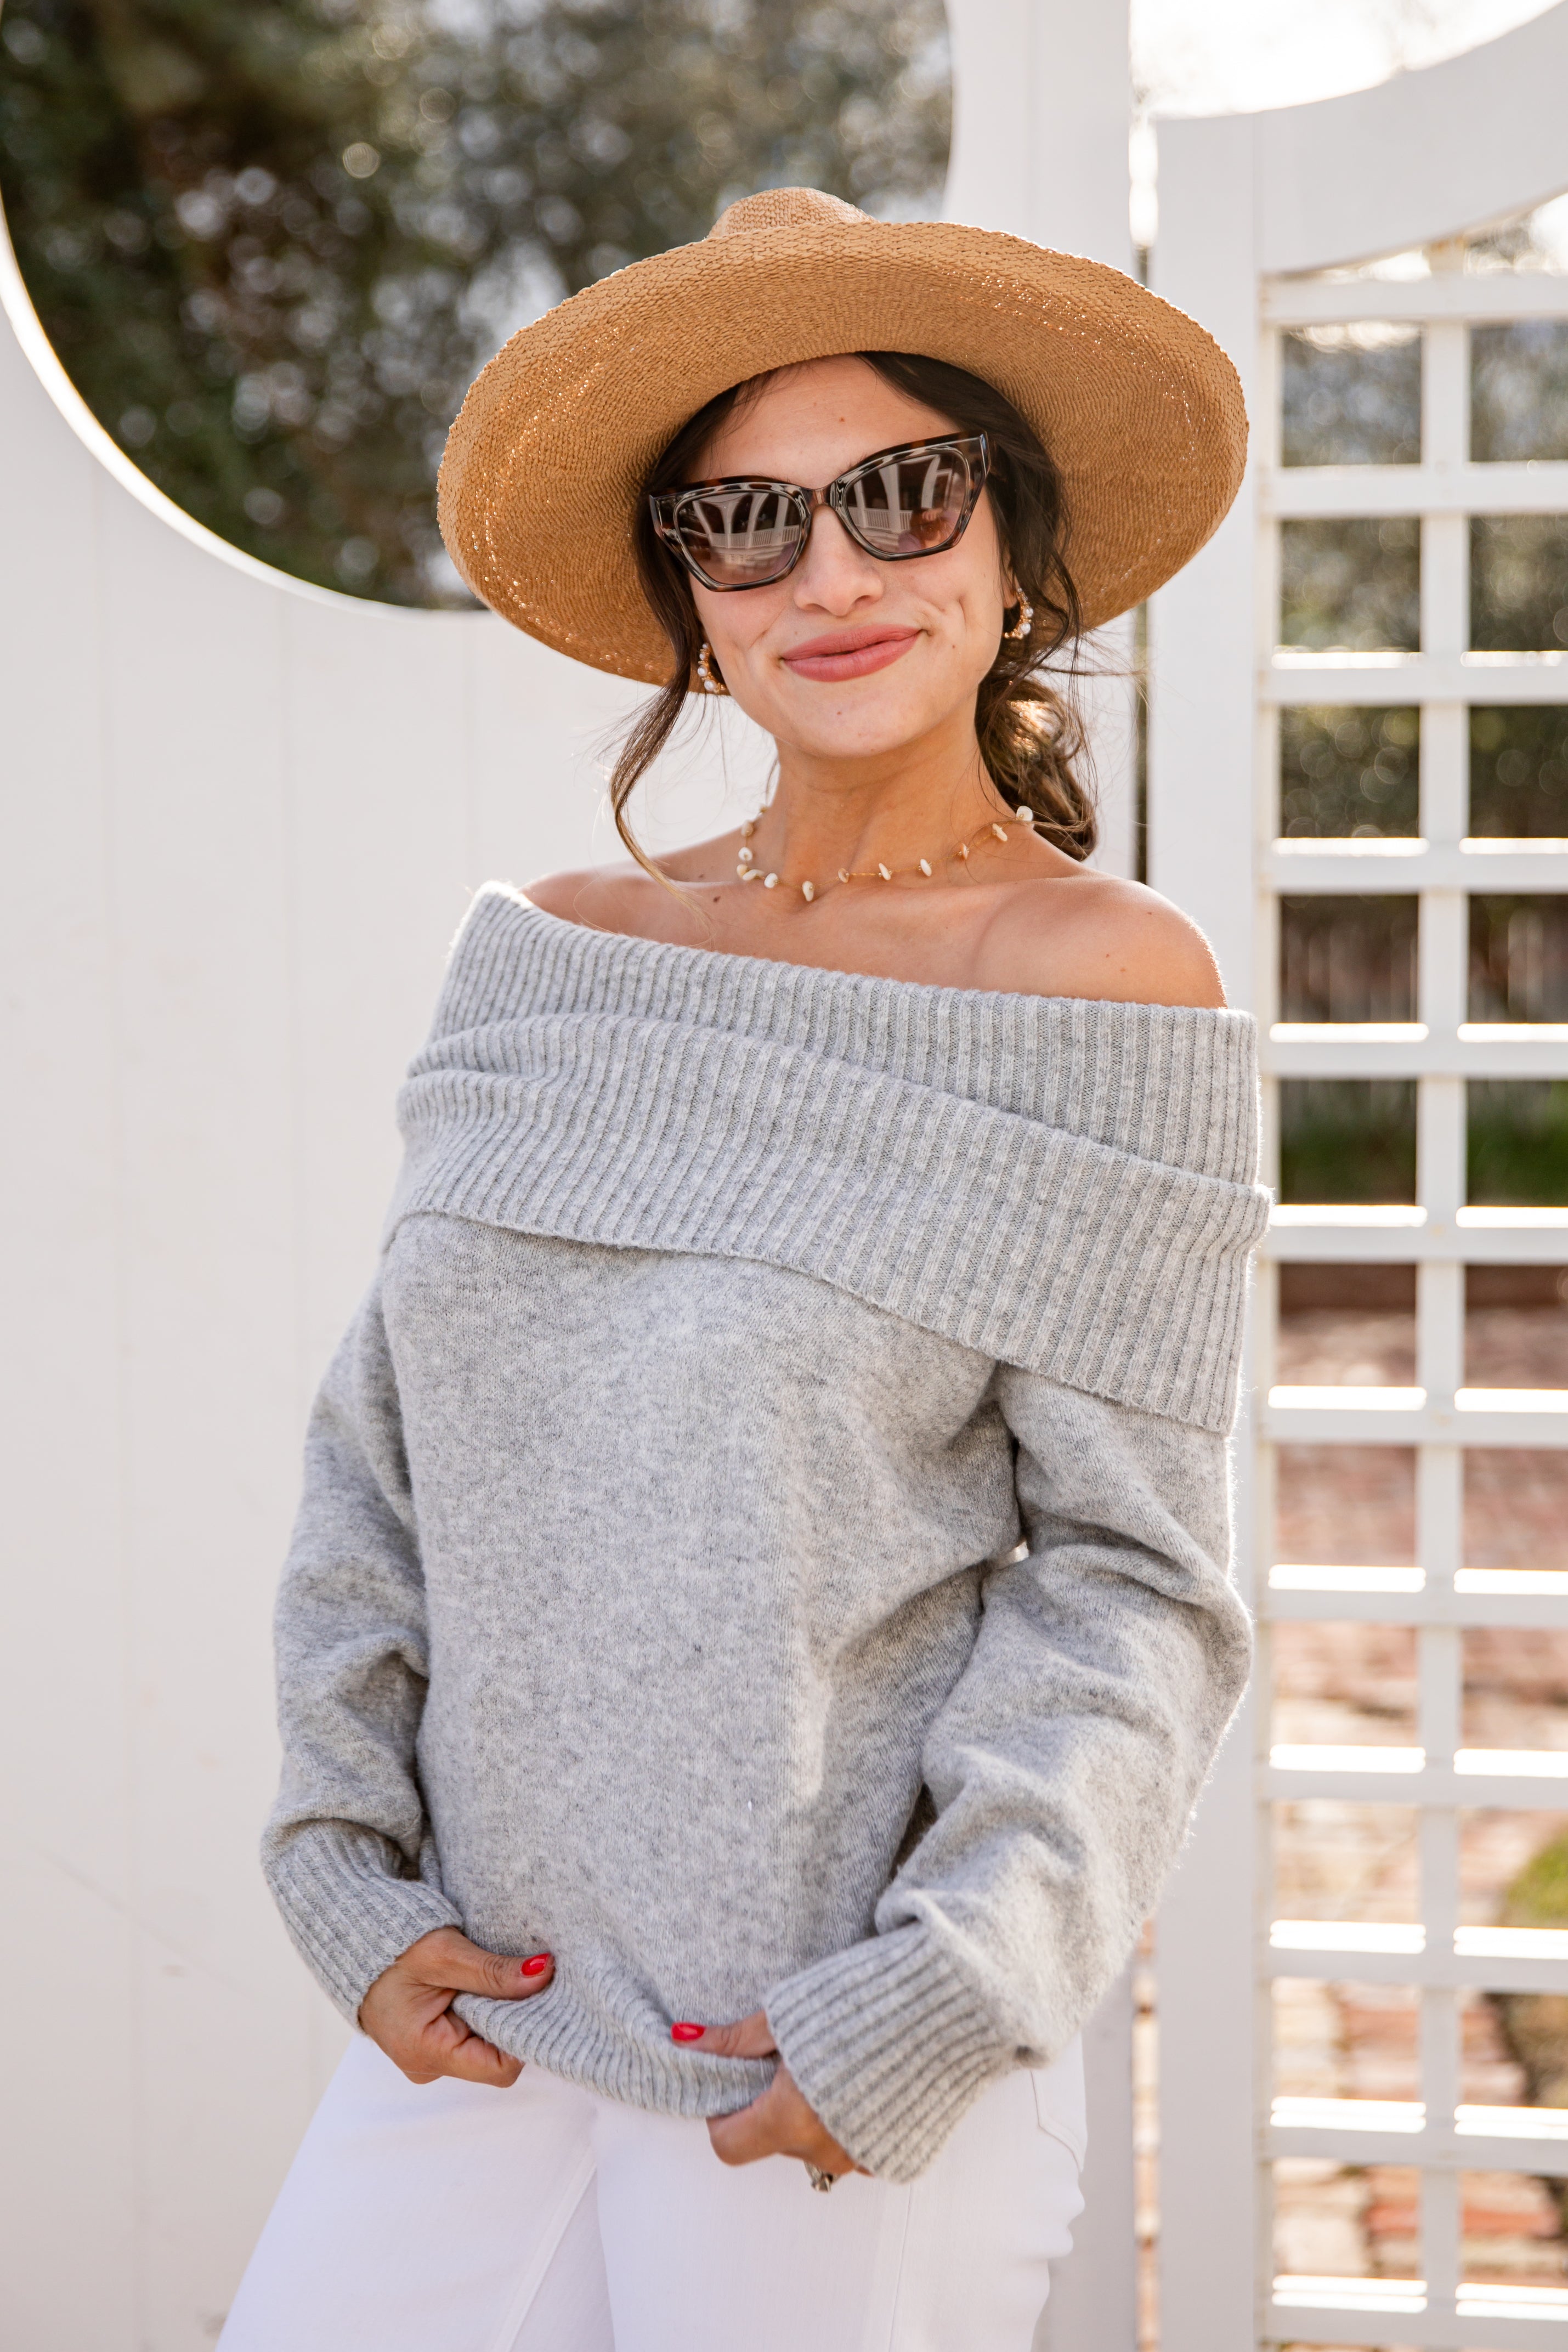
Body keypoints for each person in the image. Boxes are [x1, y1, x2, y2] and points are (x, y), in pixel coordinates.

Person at [220, 186, 1266, 2352]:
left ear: (1011, 543)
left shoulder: (1107, 989)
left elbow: (1131, 1585)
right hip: (480, 2020)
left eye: (900, 492)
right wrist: (338, 1869)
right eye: (747, 522)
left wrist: (936, 1993)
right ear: (689, 596)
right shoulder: (543, 958)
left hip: (825, 2065)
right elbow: (382, 1454)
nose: (834, 571)